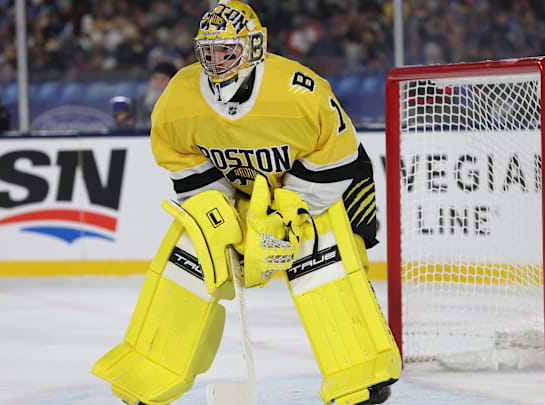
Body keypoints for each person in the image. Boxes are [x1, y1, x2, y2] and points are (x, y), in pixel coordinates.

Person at [91, 2, 401, 405]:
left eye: (228, 51)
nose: (216, 61)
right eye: (210, 51)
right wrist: (215, 212)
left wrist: (286, 213)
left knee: (328, 265)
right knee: (194, 251)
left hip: (318, 184)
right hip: (239, 189)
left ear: (254, 47)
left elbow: (339, 153)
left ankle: (362, 370)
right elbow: (179, 155)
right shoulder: (181, 96)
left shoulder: (296, 90)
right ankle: (153, 363)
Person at [131, 61, 178, 128]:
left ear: (172, 82)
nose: (157, 83)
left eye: (163, 79)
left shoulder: (178, 105)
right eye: (155, 78)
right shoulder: (136, 103)